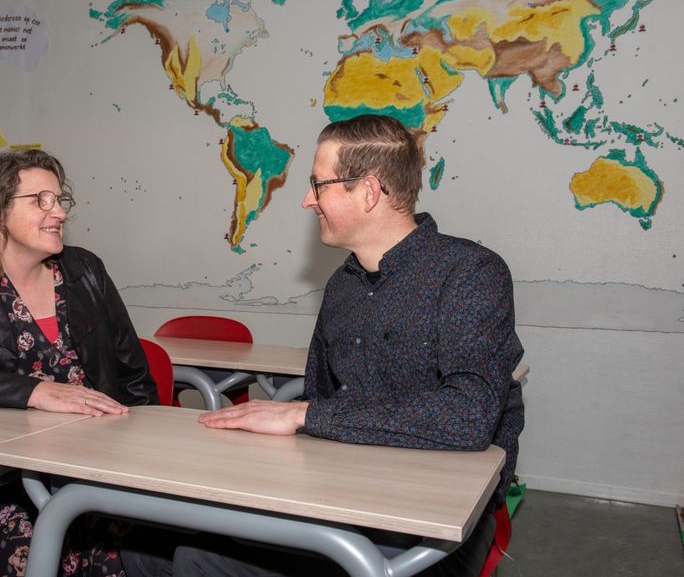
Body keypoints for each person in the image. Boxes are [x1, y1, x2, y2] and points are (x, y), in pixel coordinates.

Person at [125, 114, 524, 577]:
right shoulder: (343, 286)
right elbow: (320, 400)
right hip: (344, 494)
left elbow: (468, 418)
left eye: (318, 185)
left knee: (196, 562)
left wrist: (302, 415)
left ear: (369, 191)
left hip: (433, 526)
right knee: (145, 547)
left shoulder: (472, 273)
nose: (305, 200)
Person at [0, 149, 158, 576]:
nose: (57, 212)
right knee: (32, 551)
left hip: (99, 471)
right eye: (39, 200)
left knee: (159, 553)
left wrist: (142, 466)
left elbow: (134, 378)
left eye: (58, 200)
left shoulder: (86, 270)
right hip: (4, 481)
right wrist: (35, 392)